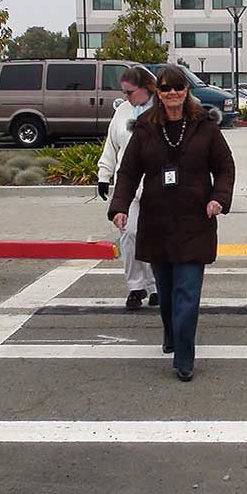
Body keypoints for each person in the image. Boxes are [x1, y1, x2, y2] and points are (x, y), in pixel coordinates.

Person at [109, 64, 235, 382]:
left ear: (186, 90)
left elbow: (224, 167)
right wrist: (119, 206)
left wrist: (218, 198)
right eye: (165, 88)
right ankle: (171, 332)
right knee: (166, 294)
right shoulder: (145, 128)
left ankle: (184, 356)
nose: (172, 93)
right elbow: (127, 172)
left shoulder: (205, 126)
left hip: (195, 221)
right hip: (158, 222)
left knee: (188, 293)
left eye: (178, 87)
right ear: (158, 92)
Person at [97, 66, 158, 310]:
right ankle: (136, 286)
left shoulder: (162, 109)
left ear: (145, 88)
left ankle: (156, 287)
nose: (125, 96)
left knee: (155, 236)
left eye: (129, 92)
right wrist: (104, 174)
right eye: (123, 92)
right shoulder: (122, 112)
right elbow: (112, 145)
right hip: (129, 184)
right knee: (129, 234)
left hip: (156, 185)